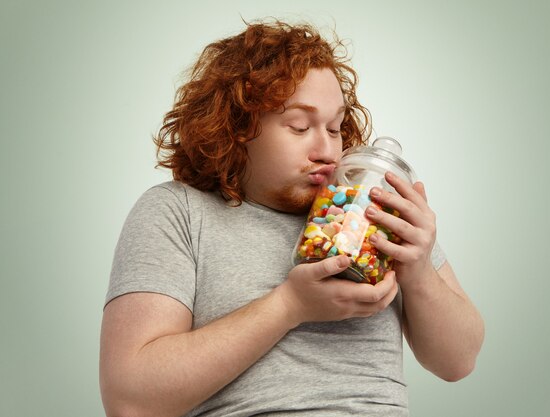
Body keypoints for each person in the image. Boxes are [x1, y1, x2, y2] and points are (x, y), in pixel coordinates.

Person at [100, 19, 484, 417]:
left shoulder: (375, 210)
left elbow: (458, 362)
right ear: (238, 127)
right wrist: (290, 306)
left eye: (335, 128)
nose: (327, 150)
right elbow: (130, 401)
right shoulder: (177, 212)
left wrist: (419, 270)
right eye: (300, 126)